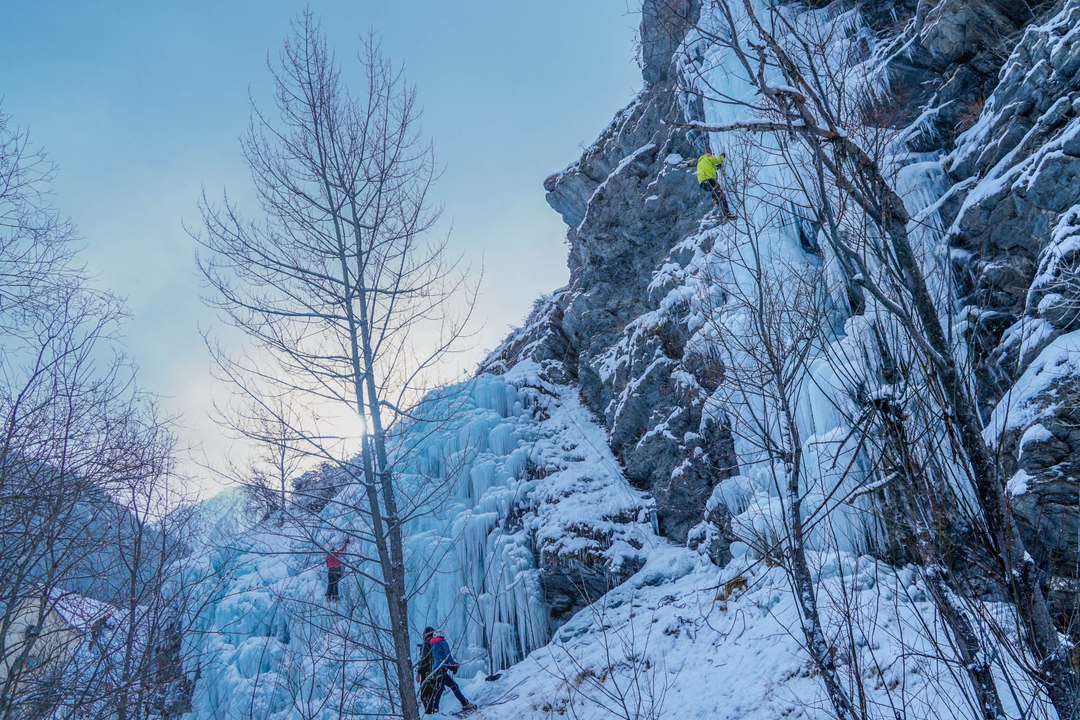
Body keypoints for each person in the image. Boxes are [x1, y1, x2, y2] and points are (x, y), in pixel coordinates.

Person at [420, 628, 476, 713]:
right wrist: (454, 664)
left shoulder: (433, 645)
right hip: (441, 669)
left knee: (453, 685)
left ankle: (465, 703)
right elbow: (447, 657)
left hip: (436, 669)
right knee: (440, 688)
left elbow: (437, 658)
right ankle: (435, 708)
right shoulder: (443, 643)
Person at [696, 152, 734, 217]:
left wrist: (717, 167)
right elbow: (718, 160)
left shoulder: (699, 163)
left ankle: (715, 200)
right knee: (721, 194)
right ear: (709, 155)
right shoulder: (708, 158)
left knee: (716, 192)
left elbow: (710, 168)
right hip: (709, 180)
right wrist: (722, 156)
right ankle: (727, 213)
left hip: (703, 184)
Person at [415, 627, 439, 714]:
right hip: (436, 671)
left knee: (424, 695)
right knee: (432, 693)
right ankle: (433, 712)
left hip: (426, 673)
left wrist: (418, 673)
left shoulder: (425, 645)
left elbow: (423, 659)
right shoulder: (436, 644)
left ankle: (429, 714)